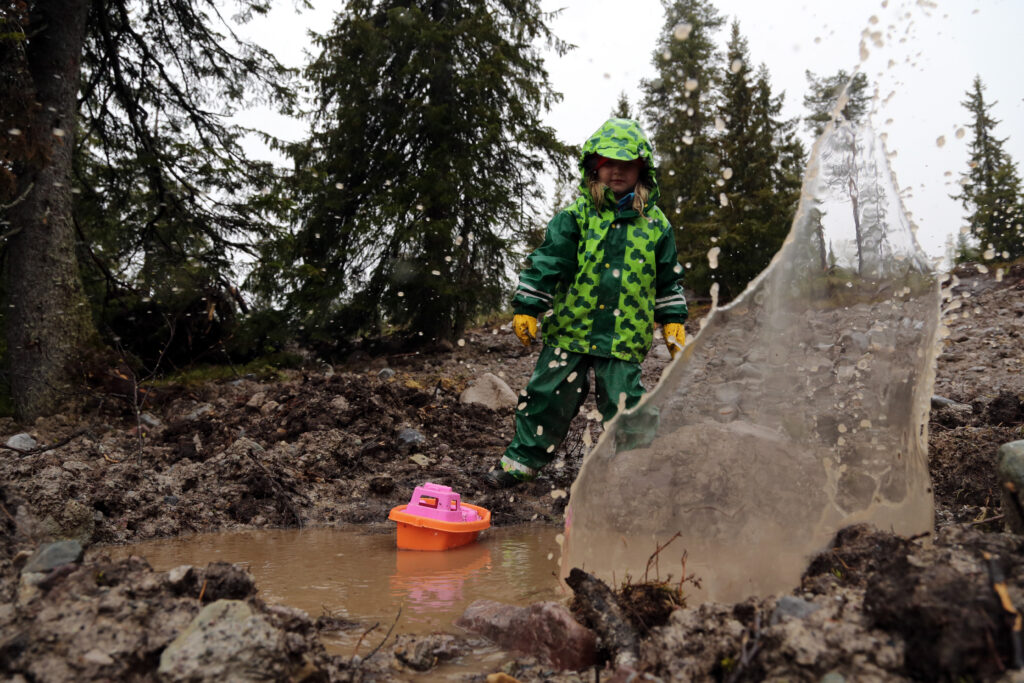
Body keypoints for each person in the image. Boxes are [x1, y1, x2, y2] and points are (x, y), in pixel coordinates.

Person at [485, 117, 688, 489]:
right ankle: (522, 462)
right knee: (547, 396)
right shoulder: (576, 217)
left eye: (626, 164)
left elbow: (668, 277)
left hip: (623, 335)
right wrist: (528, 306)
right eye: (609, 163)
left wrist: (672, 319)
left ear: (642, 170)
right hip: (571, 329)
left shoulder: (657, 225)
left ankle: (634, 470)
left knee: (628, 405)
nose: (617, 171)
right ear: (594, 167)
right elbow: (548, 262)